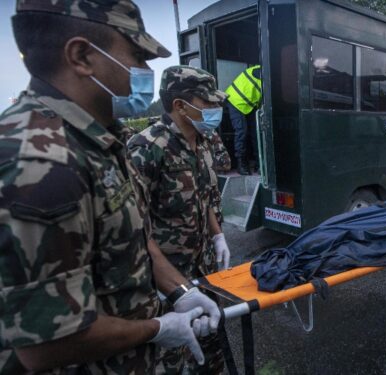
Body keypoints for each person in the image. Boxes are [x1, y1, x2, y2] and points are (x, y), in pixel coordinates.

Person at [0, 1, 221, 373]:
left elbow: (136, 237)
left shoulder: (98, 137)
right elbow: (49, 342)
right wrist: (158, 328)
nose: (147, 71)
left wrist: (182, 292)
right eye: (137, 55)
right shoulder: (39, 161)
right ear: (82, 56)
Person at [128, 66, 233, 374]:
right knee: (175, 357)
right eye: (208, 103)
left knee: (212, 342)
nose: (216, 110)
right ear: (179, 105)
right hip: (169, 278)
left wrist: (218, 236)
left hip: (203, 266)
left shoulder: (201, 142)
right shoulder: (146, 147)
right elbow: (135, 227)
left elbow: (204, 197)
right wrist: (167, 284)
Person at [225, 64, 262, 175]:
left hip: (249, 105)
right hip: (235, 100)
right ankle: (241, 164)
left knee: (256, 133)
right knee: (242, 131)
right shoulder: (260, 71)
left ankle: (259, 164)